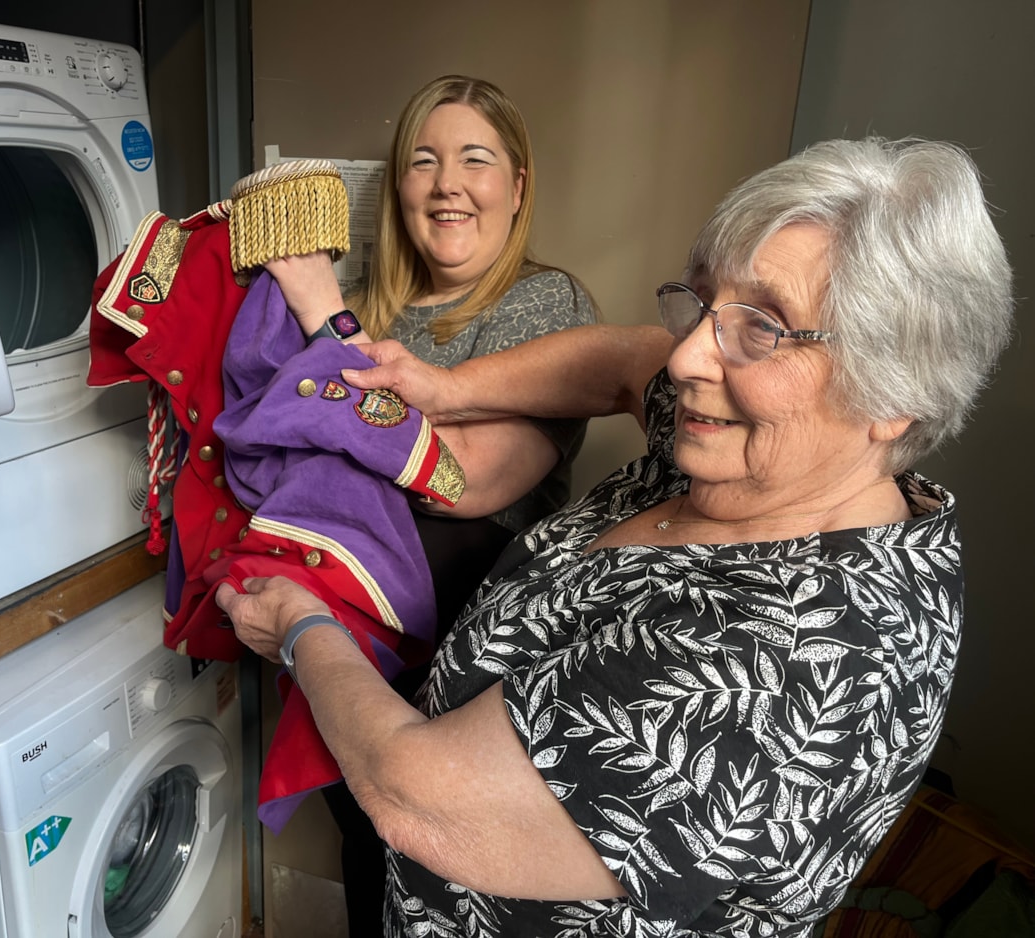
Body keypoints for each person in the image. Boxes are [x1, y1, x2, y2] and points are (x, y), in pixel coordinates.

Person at [217, 136, 1014, 936]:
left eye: (764, 327)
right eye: (702, 305)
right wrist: (446, 388)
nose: (693, 353)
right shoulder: (747, 453)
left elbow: (414, 797)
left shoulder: (785, 665)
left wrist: (300, 628)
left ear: (895, 394)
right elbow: (626, 361)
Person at [262, 74, 598, 931]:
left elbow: (465, 483)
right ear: (398, 188)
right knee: (365, 851)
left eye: (475, 159)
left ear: (516, 188)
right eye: (423, 160)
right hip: (337, 646)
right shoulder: (379, 309)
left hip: (454, 673)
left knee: (431, 874)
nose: (447, 182)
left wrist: (322, 320)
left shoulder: (547, 305)